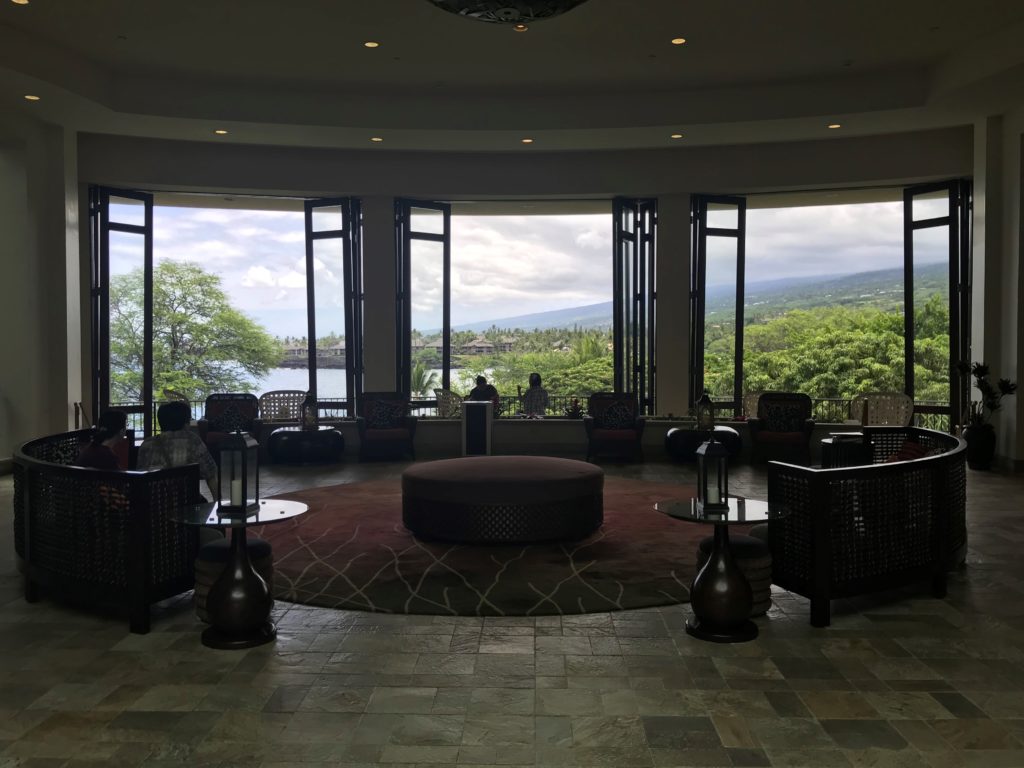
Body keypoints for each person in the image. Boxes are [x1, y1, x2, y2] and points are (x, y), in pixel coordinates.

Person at [137, 400, 219, 500]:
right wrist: (218, 503)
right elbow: (210, 473)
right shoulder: (192, 440)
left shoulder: (147, 444)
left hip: (154, 504)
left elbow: (140, 477)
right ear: (185, 423)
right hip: (185, 504)